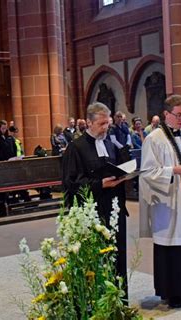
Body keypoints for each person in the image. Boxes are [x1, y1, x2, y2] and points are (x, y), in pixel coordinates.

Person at [139, 94, 181, 309]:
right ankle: (174, 293)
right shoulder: (154, 138)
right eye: (178, 115)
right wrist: (172, 171)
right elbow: (148, 171)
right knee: (173, 244)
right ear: (166, 114)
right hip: (169, 201)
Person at [62, 102, 129, 294]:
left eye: (107, 123)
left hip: (114, 209)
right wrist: (99, 184)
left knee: (118, 255)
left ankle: (119, 301)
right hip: (92, 212)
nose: (105, 128)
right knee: (97, 258)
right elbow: (71, 182)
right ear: (89, 123)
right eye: (101, 124)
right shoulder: (76, 147)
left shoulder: (110, 144)